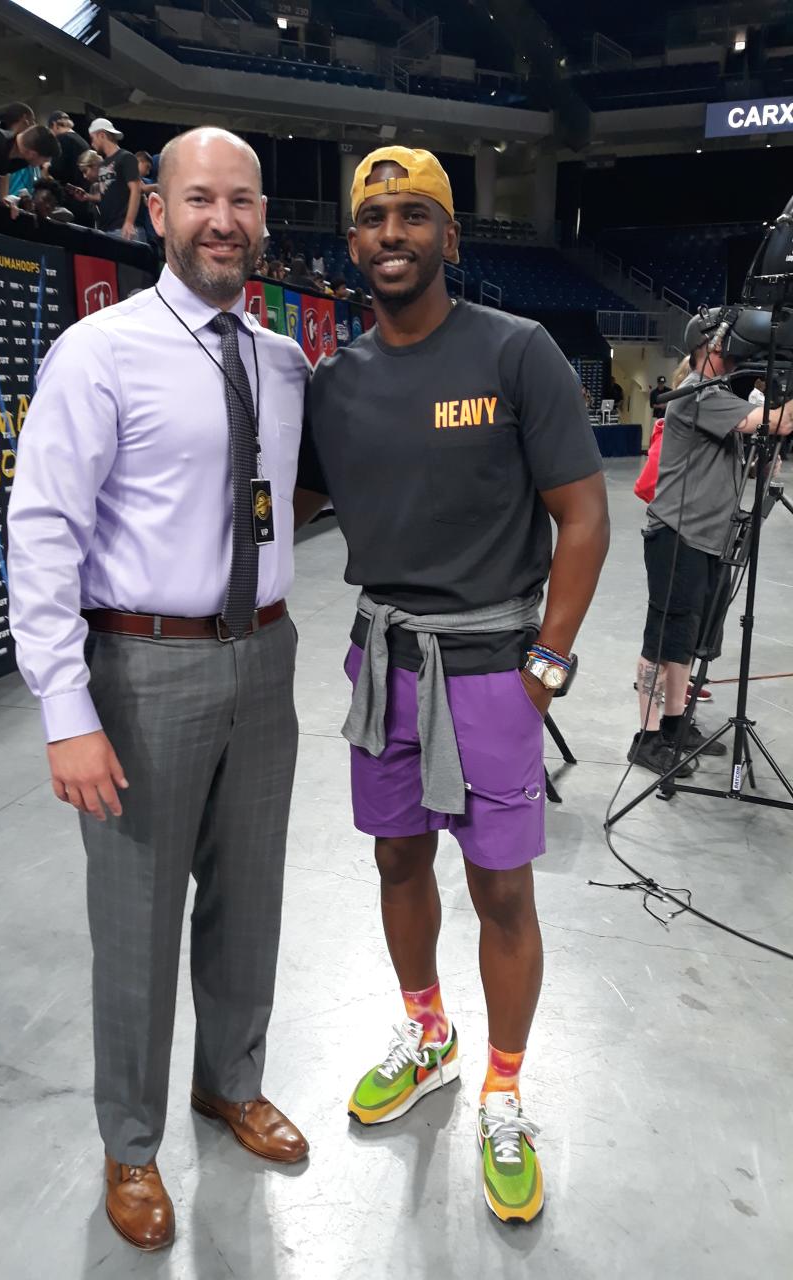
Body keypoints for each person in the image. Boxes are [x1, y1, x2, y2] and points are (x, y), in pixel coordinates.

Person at [7, 126, 311, 1254]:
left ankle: (229, 1082)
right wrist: (65, 709)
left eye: (241, 199)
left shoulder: (281, 363)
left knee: (253, 902)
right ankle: (129, 1143)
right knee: (136, 922)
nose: (222, 219)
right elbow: (41, 528)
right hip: (141, 666)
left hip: (265, 655)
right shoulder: (101, 353)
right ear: (158, 211)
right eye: (198, 199)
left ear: (264, 215)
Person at [295, 145, 609, 1225]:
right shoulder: (333, 385)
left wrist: (548, 665)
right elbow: (284, 503)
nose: (394, 233)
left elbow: (584, 513)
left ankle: (507, 1087)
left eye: (415, 214)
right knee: (395, 858)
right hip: (380, 662)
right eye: (375, 217)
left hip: (492, 673)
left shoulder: (518, 353)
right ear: (352, 243)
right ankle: (428, 1032)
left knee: (505, 889)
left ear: (450, 236)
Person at [631, 311, 793, 775]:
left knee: (684, 641)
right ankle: (644, 737)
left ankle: (675, 725)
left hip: (706, 539)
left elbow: (759, 461)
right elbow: (778, 422)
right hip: (677, 536)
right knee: (662, 638)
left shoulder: (723, 399)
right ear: (711, 347)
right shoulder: (697, 395)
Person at [88, 116, 142, 241]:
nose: (92, 143)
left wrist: (129, 222)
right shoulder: (102, 164)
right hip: (105, 229)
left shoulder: (126, 157)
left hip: (122, 228)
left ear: (102, 135)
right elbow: (107, 195)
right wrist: (87, 197)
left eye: (93, 138)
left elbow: (136, 190)